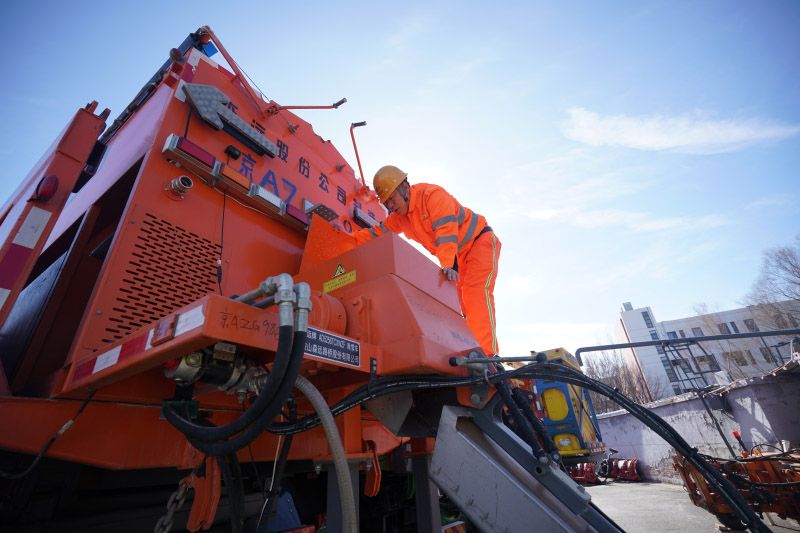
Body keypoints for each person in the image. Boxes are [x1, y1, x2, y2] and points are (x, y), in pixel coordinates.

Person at [354, 165, 501, 355]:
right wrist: (348, 240)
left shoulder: (431, 195)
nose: (390, 205)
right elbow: (376, 233)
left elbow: (446, 231)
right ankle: (472, 353)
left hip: (479, 242)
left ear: (404, 187)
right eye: (386, 202)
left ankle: (487, 356)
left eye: (392, 198)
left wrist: (448, 264)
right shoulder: (399, 218)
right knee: (461, 306)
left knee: (475, 294)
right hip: (458, 258)